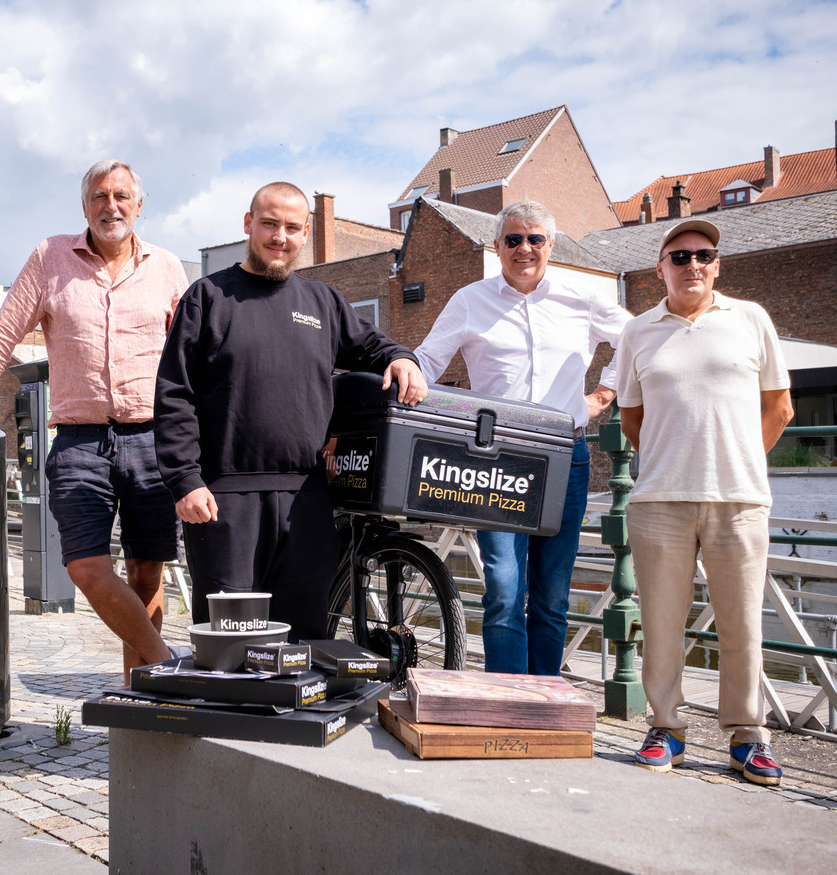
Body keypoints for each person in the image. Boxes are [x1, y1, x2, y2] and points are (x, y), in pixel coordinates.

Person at [0, 160, 188, 681]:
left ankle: (146, 702)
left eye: (121, 196)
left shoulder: (167, 267)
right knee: (85, 566)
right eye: (99, 197)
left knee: (147, 570)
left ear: (139, 204)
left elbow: (192, 357)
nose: (110, 206)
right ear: (84, 205)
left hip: (152, 437)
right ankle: (169, 664)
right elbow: (1, 335)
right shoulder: (51, 257)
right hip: (80, 442)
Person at [154, 181, 426, 639]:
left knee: (304, 646)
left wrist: (403, 359)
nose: (280, 237)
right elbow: (173, 393)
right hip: (224, 499)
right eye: (269, 224)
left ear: (304, 235)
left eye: (292, 228)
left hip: (307, 499)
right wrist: (185, 479)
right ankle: (234, 713)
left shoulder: (323, 302)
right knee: (230, 647)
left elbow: (374, 345)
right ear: (248, 225)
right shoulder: (207, 298)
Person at [414, 200, 631, 676]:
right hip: (495, 457)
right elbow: (428, 363)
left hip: (563, 456)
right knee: (505, 589)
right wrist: (401, 370)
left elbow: (636, 339)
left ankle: (545, 701)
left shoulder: (582, 299)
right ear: (497, 248)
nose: (525, 248)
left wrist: (606, 392)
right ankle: (508, 699)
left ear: (550, 245)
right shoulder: (470, 300)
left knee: (553, 592)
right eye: (513, 239)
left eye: (535, 239)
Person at [617, 219, 793, 786]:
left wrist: (737, 456)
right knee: (661, 623)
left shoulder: (751, 319)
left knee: (742, 624)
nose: (692, 264)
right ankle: (665, 728)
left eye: (704, 255)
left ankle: (748, 737)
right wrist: (677, 457)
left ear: (717, 265)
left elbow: (780, 407)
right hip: (660, 501)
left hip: (739, 498)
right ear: (660, 269)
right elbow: (631, 416)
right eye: (679, 256)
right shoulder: (639, 332)